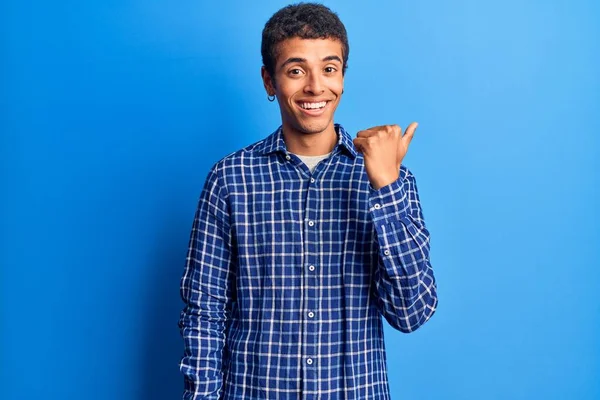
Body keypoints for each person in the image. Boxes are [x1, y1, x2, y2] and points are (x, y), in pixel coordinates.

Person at [179, 3, 438, 399]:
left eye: (330, 69)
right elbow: (205, 311)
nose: (316, 86)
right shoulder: (230, 180)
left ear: (343, 78)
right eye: (296, 70)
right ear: (269, 81)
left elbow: (411, 312)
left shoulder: (391, 179)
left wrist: (385, 187)